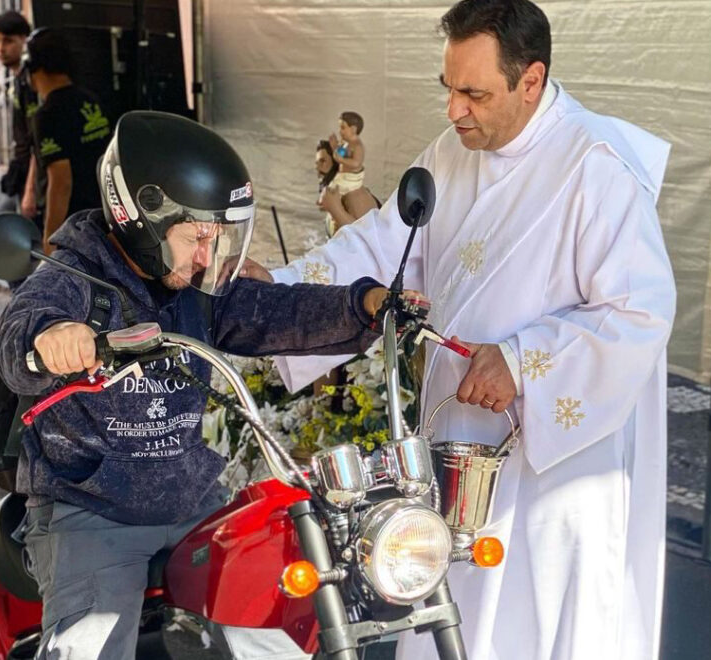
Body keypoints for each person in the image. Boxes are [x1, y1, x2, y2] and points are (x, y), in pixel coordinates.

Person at [260, 1, 677, 658]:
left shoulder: (597, 166)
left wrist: (521, 362)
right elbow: (377, 248)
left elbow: (640, 312)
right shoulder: (452, 154)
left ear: (531, 81)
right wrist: (270, 298)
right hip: (459, 445)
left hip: (553, 460)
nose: (455, 110)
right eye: (449, 89)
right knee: (448, 606)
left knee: (531, 624)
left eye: (474, 94)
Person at [0, 110, 411, 659]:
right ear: (140, 217)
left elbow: (274, 311)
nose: (207, 257)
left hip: (191, 495)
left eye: (218, 240)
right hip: (91, 505)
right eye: (196, 238)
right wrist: (54, 337)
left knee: (278, 624)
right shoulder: (70, 281)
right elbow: (18, 335)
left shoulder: (194, 284)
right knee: (89, 647)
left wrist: (363, 305)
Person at [24, 27, 111, 253]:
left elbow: (61, 182)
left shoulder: (47, 115)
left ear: (33, 68)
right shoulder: (90, 100)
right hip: (104, 214)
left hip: (73, 225)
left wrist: (50, 240)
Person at [0, 10, 37, 219]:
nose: (0, 48)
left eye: (8, 41)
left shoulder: (32, 81)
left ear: (24, 41)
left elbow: (39, 141)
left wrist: (30, 191)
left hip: (35, 178)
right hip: (22, 169)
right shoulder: (18, 78)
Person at [315, 138, 379, 236]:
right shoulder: (335, 196)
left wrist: (335, 209)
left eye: (323, 161)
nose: (317, 167)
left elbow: (368, 240)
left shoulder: (355, 195)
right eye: (317, 163)